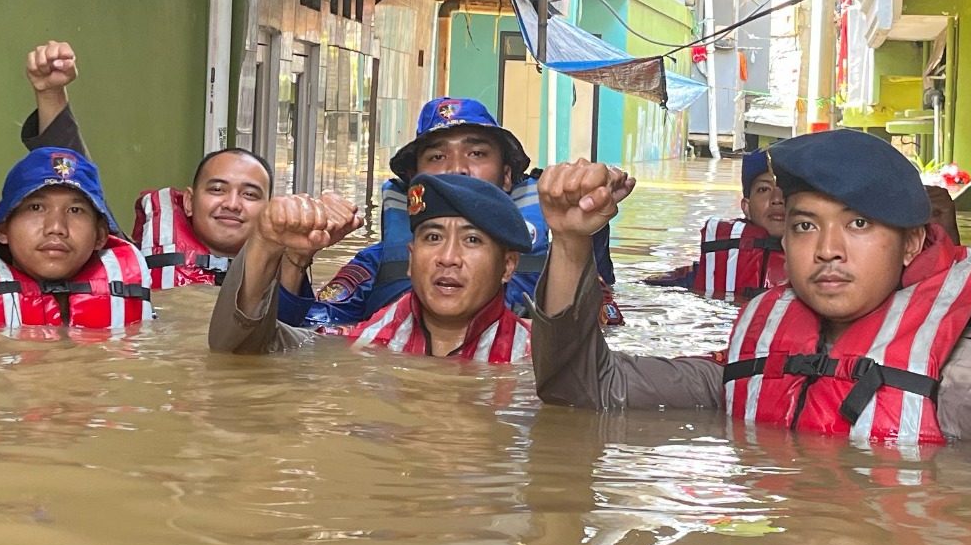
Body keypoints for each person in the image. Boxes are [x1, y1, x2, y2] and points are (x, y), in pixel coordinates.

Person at [529, 130, 971, 448]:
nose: (827, 249)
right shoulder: (753, 355)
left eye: (859, 224)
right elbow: (583, 390)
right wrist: (573, 241)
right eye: (804, 225)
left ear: (914, 244)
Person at [301, 94, 619, 326]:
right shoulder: (375, 265)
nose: (457, 169)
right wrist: (292, 259)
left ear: (507, 176)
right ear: (414, 179)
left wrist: (578, 236)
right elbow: (301, 339)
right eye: (438, 157)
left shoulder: (559, 263)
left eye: (476, 153)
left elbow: (600, 349)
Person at [18, 39, 271, 288]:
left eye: (249, 194)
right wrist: (50, 93)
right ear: (189, 202)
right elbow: (73, 176)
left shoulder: (290, 272)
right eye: (217, 189)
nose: (232, 204)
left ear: (269, 211)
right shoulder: (132, 264)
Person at [211, 172, 533, 363]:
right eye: (433, 237)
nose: (448, 257)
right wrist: (267, 244)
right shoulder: (365, 342)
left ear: (507, 266)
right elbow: (240, 350)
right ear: (410, 258)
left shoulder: (535, 357)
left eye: (472, 240)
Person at [0, 144, 153, 330]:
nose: (56, 227)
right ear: (2, 229)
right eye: (36, 207)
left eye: (75, 210)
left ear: (100, 236)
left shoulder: (139, 321)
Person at [648, 148, 788, 296]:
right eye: (764, 189)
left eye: (786, 189)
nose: (777, 199)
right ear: (746, 207)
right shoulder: (703, 273)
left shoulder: (812, 272)